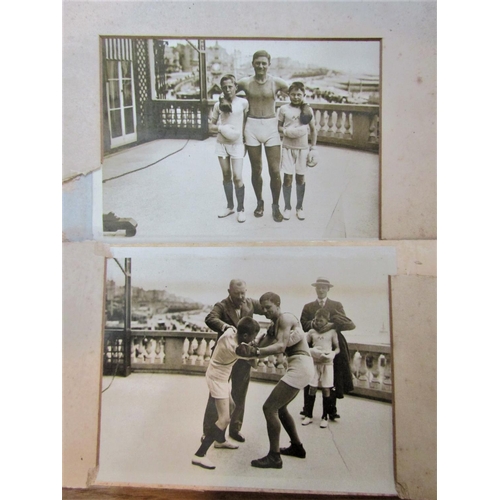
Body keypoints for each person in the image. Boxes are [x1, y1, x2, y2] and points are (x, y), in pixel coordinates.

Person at [236, 292, 314, 469]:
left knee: (269, 408)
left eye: (268, 307)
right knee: (281, 408)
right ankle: (297, 447)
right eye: (262, 308)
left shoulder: (286, 318)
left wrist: (255, 353)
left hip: (301, 366)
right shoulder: (275, 324)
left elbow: (280, 346)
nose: (264, 311)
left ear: (278, 305)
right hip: (299, 366)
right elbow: (262, 347)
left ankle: (274, 457)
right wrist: (250, 348)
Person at [192, 316, 261, 470]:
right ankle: (199, 454)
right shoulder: (237, 348)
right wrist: (256, 345)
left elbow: (226, 327)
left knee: (231, 406)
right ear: (245, 336)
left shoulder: (231, 330)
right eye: (252, 337)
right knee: (224, 419)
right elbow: (255, 363)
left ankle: (220, 440)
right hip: (218, 379)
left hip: (216, 373)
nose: (252, 340)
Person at [203, 279, 265, 443]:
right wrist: (225, 327)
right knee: (217, 396)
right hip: (226, 358)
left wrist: (281, 320)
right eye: (237, 293)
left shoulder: (250, 303)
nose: (241, 296)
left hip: (243, 359)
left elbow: (267, 307)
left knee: (240, 394)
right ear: (229, 291)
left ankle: (235, 429)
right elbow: (210, 318)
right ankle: (209, 431)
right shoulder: (222, 306)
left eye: (244, 292)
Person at [237, 51, 289, 222]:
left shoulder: (277, 82)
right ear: (252, 63)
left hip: (270, 126)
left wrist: (301, 110)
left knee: (275, 171)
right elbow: (228, 91)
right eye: (257, 63)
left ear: (269, 64)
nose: (260, 66)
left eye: (264, 63)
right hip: (251, 126)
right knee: (256, 169)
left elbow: (298, 95)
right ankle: (260, 202)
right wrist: (223, 102)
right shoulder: (245, 82)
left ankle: (276, 206)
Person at [300, 277, 355, 420]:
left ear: (328, 289)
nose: (321, 290)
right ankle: (307, 409)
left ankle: (331, 410)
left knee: (332, 377)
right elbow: (303, 324)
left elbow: (347, 323)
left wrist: (332, 325)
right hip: (313, 345)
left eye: (324, 287)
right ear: (315, 289)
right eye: (318, 287)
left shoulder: (336, 305)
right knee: (309, 376)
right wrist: (315, 324)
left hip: (332, 345)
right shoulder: (308, 307)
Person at [209, 74, 249, 223]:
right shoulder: (217, 105)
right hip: (222, 145)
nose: (227, 89)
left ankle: (241, 209)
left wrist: (245, 141)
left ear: (236, 87)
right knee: (226, 175)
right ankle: (230, 206)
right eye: (224, 87)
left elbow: (246, 123)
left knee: (237, 177)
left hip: (237, 144)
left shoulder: (243, 103)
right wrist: (221, 128)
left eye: (230, 86)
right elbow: (211, 125)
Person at [277, 81, 317, 221]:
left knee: (300, 178)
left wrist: (314, 148)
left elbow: (313, 129)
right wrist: (288, 131)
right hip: (287, 148)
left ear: (304, 95)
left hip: (303, 149)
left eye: (299, 94)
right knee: (287, 178)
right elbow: (279, 127)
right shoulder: (283, 109)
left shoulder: (307, 110)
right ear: (288, 94)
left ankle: (299, 207)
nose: (295, 97)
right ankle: (287, 207)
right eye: (293, 94)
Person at [302, 308, 340, 428]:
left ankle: (325, 417)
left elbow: (337, 348)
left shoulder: (332, 332)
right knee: (311, 388)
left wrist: (332, 354)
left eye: (321, 321)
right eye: (316, 320)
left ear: (326, 320)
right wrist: (312, 351)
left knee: (326, 389)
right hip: (314, 363)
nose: (318, 323)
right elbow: (303, 346)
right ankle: (308, 415)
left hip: (327, 364)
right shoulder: (312, 331)